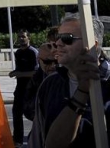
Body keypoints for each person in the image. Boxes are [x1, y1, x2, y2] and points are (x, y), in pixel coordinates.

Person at [29, 14, 110, 147]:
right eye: (58, 38)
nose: (58, 44)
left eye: (67, 38)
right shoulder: (50, 84)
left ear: (92, 45)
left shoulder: (107, 81)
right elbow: (42, 139)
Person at [9, 30, 38, 146]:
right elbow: (19, 69)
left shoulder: (33, 52)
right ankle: (18, 141)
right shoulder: (18, 53)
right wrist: (14, 72)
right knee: (16, 114)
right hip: (20, 89)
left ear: (28, 38)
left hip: (31, 89)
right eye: (19, 37)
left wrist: (19, 74)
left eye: (23, 37)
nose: (21, 39)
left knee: (33, 116)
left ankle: (38, 137)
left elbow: (35, 72)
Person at [24, 43, 58, 121]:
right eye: (47, 62)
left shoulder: (66, 76)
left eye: (56, 62)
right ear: (39, 60)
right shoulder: (35, 79)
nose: (53, 66)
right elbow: (27, 108)